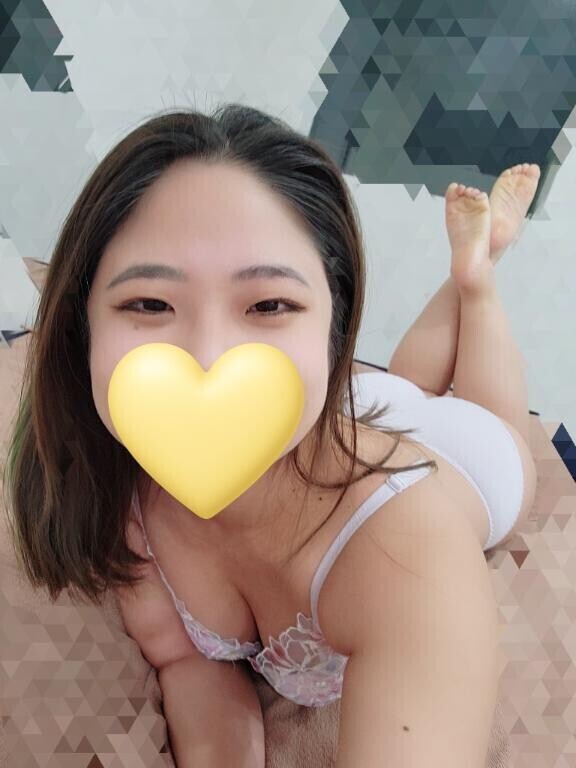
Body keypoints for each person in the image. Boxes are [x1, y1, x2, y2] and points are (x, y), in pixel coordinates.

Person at [1, 104, 539, 766]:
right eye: (149, 304)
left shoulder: (412, 551)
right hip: (344, 412)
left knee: (489, 417)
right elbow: (186, 662)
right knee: (404, 386)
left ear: (336, 322)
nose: (207, 359)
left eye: (269, 305)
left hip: (459, 457)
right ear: (82, 326)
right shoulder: (119, 488)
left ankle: (477, 280)